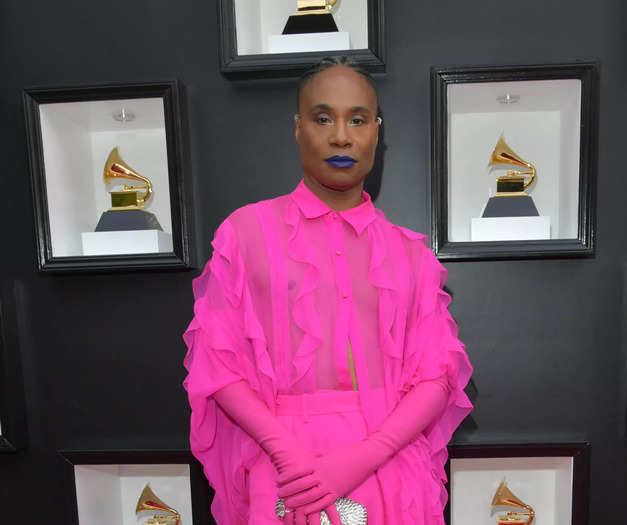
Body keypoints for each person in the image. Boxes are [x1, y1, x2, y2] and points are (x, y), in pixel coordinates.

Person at [183, 56, 473, 525]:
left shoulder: (411, 253)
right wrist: (283, 451)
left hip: (392, 464)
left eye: (358, 119)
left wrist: (366, 455)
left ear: (377, 132)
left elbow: (438, 375)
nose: (342, 136)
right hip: (286, 471)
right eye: (323, 118)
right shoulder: (246, 232)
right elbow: (217, 364)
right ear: (298, 128)